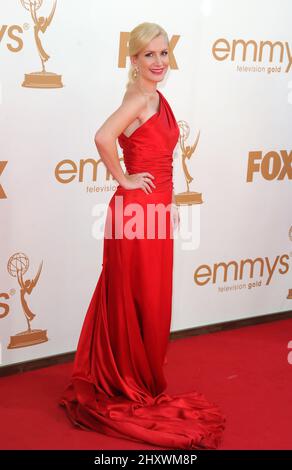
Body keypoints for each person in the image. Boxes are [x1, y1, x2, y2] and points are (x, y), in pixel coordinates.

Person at [59, 22, 225, 449]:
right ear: (132, 59)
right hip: (137, 212)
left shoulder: (150, 95)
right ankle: (128, 382)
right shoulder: (139, 96)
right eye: (148, 54)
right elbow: (103, 137)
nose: (158, 62)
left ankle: (127, 376)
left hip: (152, 211)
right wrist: (126, 179)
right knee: (142, 299)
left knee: (142, 299)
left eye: (164, 53)